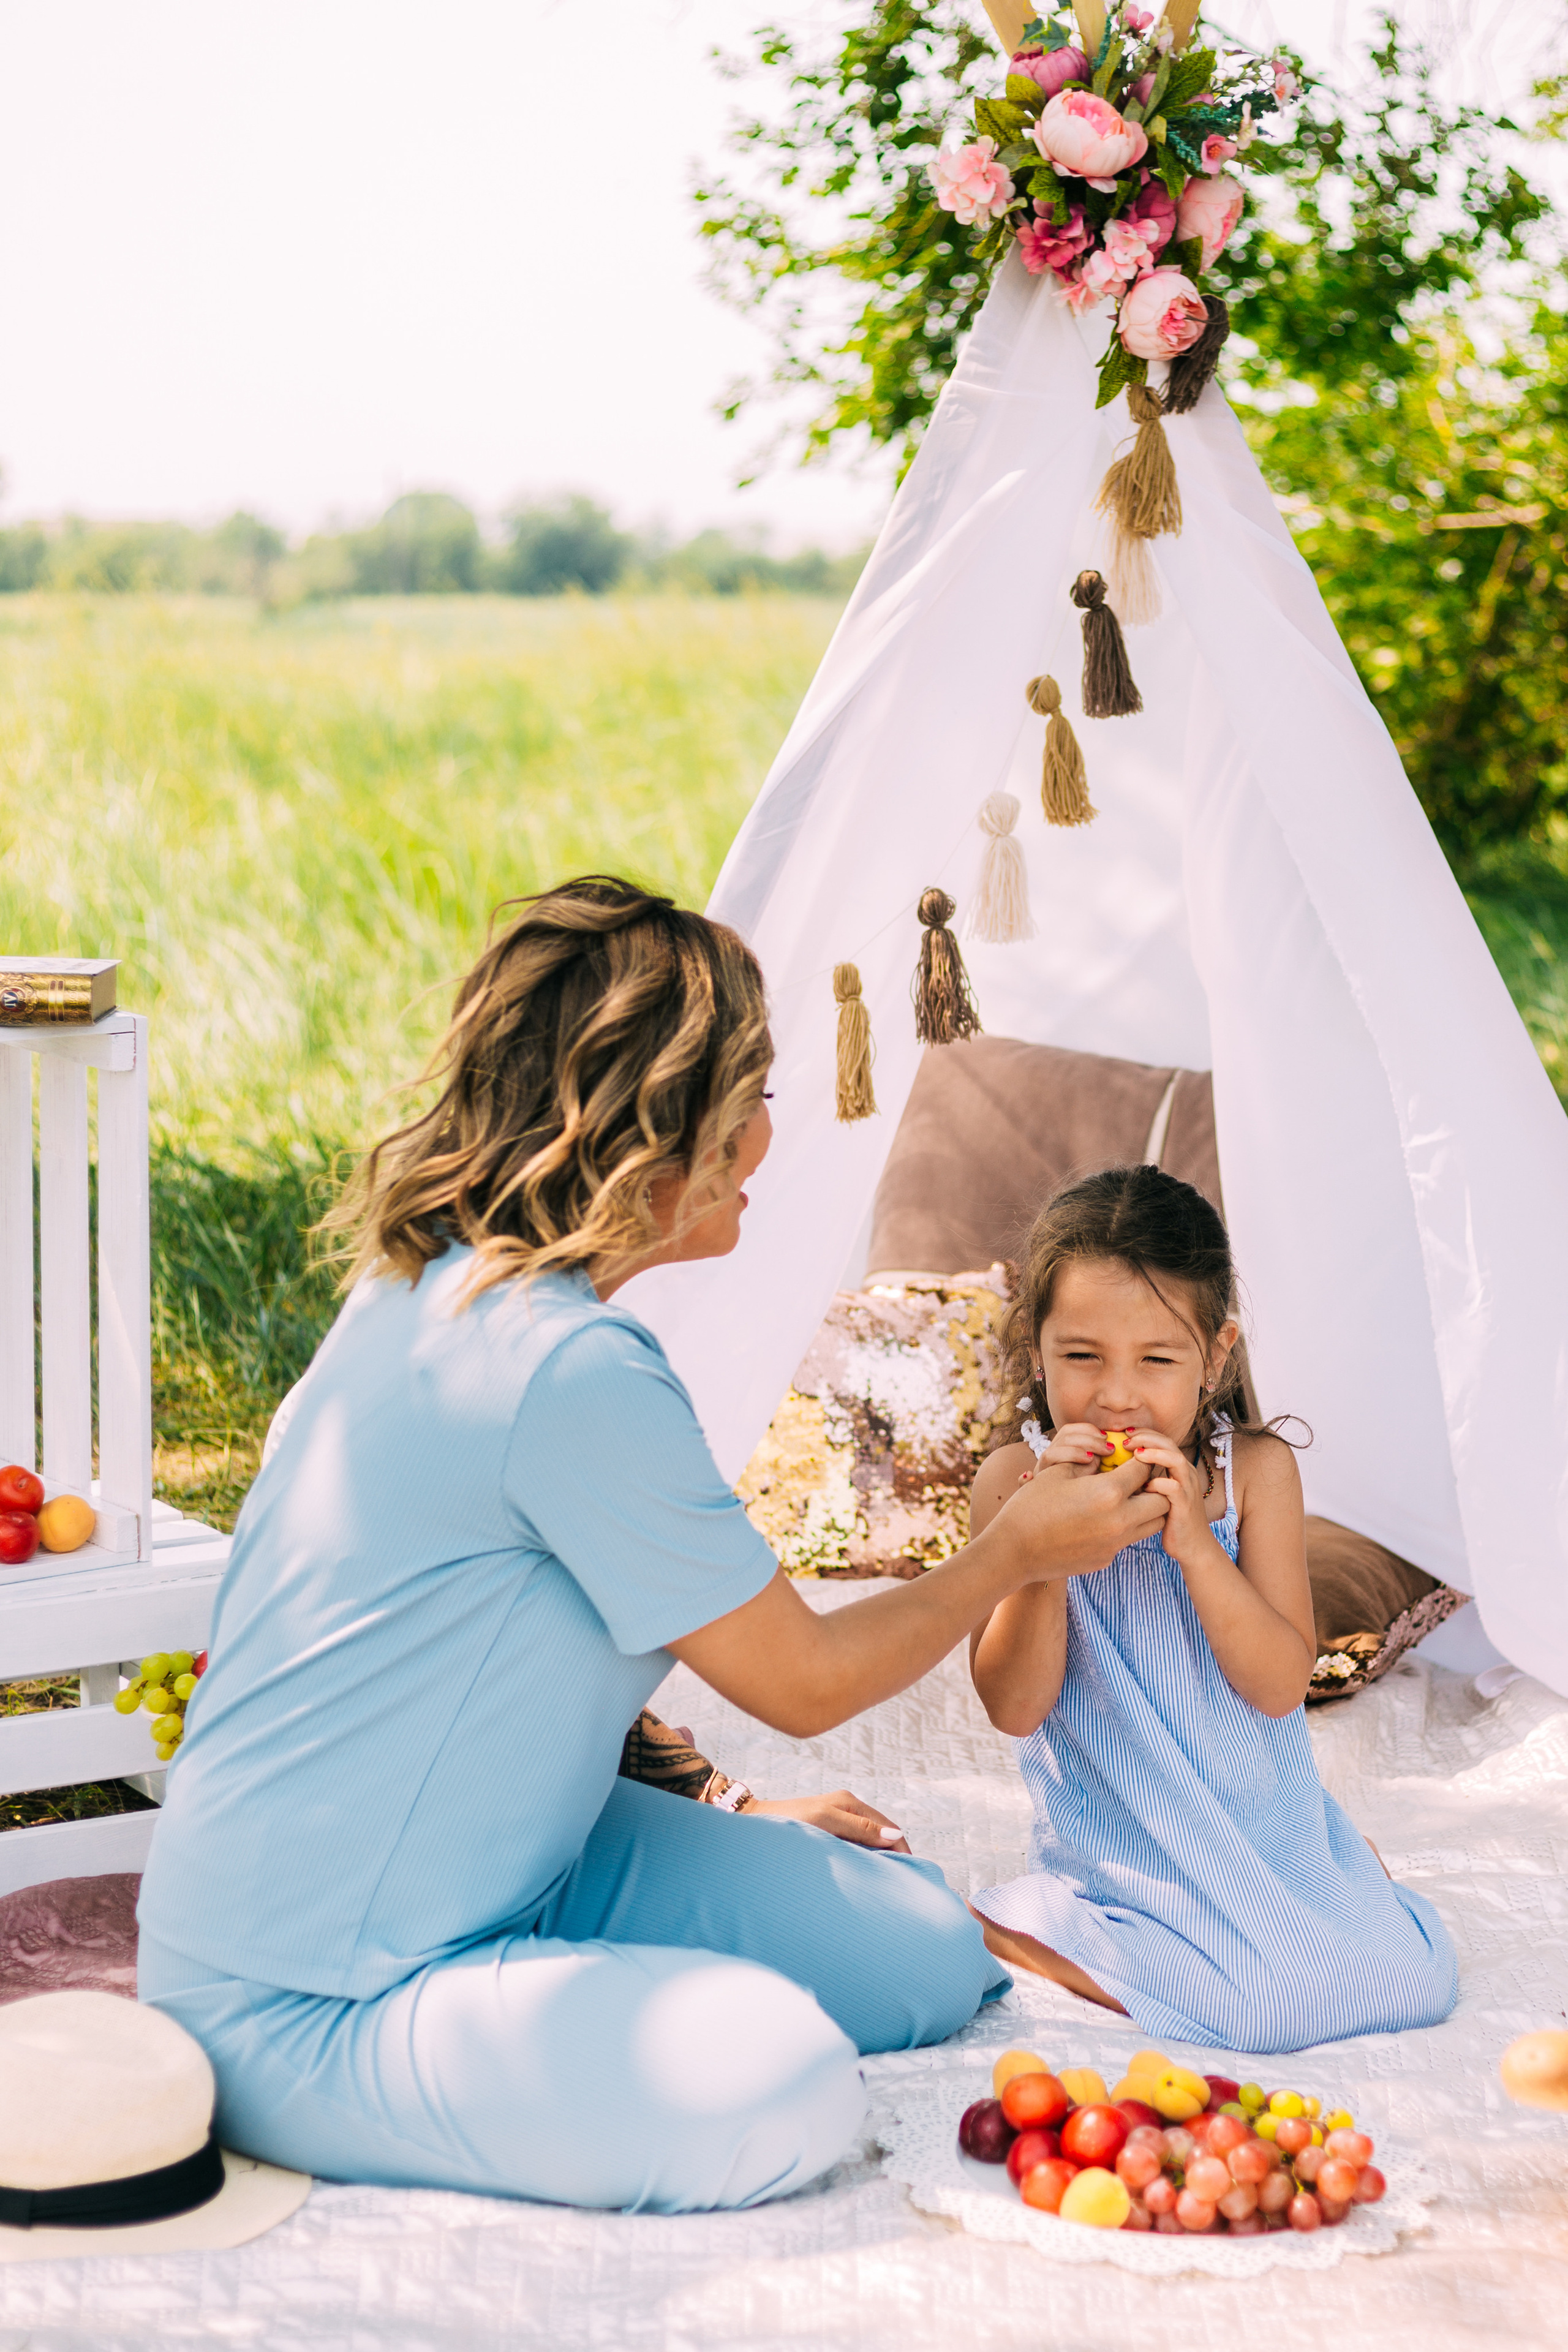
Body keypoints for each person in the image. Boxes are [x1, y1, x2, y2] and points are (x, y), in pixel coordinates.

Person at [137, 877, 1171, 2215]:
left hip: (532, 1860)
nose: (765, 1135)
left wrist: (721, 1821)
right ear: (652, 1139)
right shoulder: (562, 1368)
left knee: (923, 1945)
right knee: (781, 2083)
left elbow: (490, 1657)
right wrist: (1010, 1555)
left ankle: (591, 1954)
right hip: (312, 1988)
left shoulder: (439, 1283)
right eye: (749, 1097)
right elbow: (797, 1682)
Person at [966, 1164, 1458, 2054]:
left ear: (1216, 1357)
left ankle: (1334, 1878)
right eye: (1082, 1358)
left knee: (1413, 1982)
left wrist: (1196, 1543)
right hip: (1126, 1853)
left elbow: (1277, 1685)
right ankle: (1038, 1928)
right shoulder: (1011, 1486)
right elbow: (1013, 1705)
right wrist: (1040, 1548)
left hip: (1265, 1834)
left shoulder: (1255, 1475)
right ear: (1037, 1350)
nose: (1118, 1396)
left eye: (1157, 1361)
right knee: (1260, 2014)